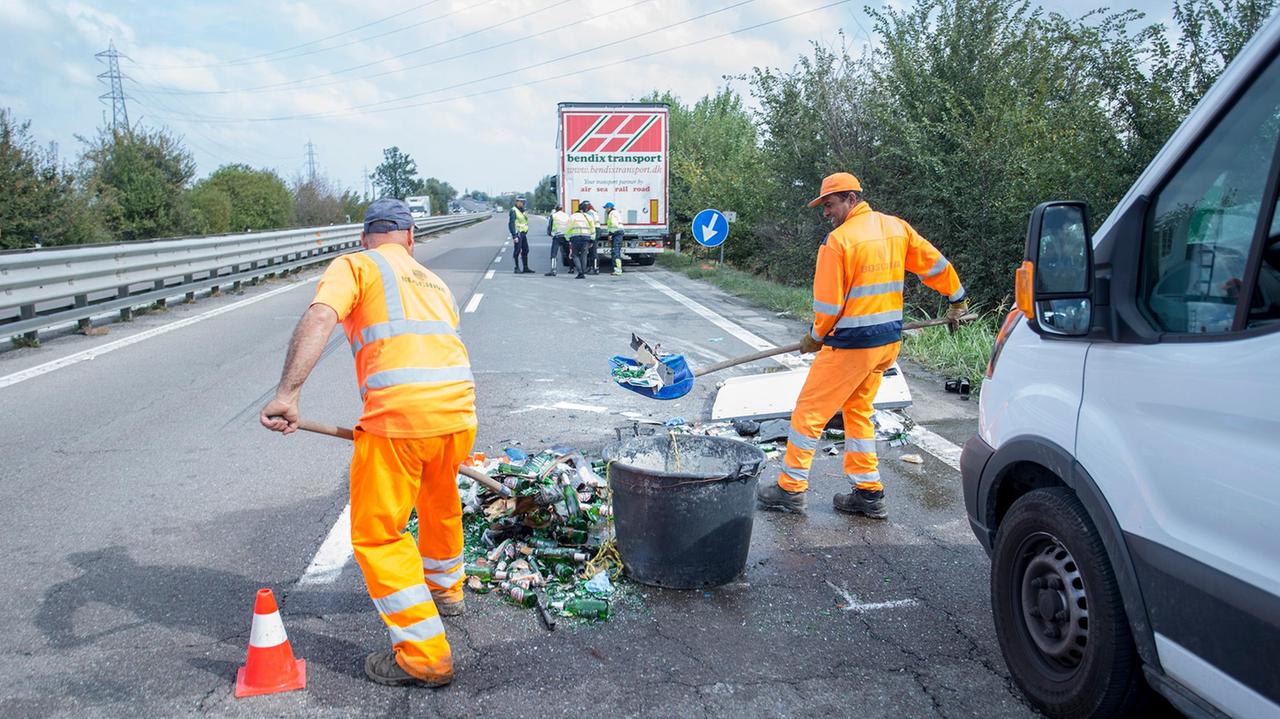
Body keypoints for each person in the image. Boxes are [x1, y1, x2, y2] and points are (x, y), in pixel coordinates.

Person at [260, 198, 476, 688]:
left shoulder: (354, 266)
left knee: (379, 534)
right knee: (439, 500)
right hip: (459, 414)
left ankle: (423, 658)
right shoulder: (435, 282)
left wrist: (287, 394)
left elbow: (320, 317)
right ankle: (446, 591)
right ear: (410, 237)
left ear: (365, 238)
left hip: (400, 420)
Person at [755, 173, 967, 519]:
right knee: (857, 411)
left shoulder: (838, 242)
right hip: (886, 344)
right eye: (824, 206)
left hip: (851, 346)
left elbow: (828, 306)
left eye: (830, 204)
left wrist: (815, 336)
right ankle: (868, 493)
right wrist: (957, 298)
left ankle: (790, 489)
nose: (826, 212)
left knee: (810, 412)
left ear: (851, 199)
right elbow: (934, 263)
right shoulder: (896, 228)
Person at [567, 201, 595, 279]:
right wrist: (592, 240)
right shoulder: (589, 217)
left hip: (575, 238)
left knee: (574, 255)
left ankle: (580, 272)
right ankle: (583, 272)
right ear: (585, 209)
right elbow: (593, 229)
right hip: (586, 238)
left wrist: (567, 238)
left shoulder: (573, 216)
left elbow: (568, 228)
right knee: (584, 255)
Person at [509, 197, 533, 274]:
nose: (523, 204)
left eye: (524, 202)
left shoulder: (522, 211)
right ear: (517, 202)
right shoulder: (513, 210)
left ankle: (525, 267)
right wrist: (514, 235)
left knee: (526, 250)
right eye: (522, 202)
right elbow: (511, 224)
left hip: (523, 233)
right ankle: (516, 268)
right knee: (517, 250)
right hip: (518, 233)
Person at [545, 203, 569, 277]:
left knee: (554, 254)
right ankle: (572, 268)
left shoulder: (554, 215)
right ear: (562, 209)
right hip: (566, 236)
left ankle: (553, 270)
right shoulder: (567, 215)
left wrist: (549, 233)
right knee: (569, 253)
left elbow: (550, 226)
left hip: (557, 236)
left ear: (556, 209)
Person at [603, 202, 625, 276]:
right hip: (619, 232)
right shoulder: (615, 213)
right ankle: (618, 269)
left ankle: (618, 270)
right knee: (616, 251)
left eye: (606, 208)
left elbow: (614, 224)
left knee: (615, 252)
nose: (605, 209)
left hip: (616, 233)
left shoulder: (612, 213)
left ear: (609, 208)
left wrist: (611, 234)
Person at [585, 202, 601, 275]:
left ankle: (595, 268)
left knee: (593, 251)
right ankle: (592, 267)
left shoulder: (589, 213)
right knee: (592, 250)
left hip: (594, 230)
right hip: (596, 230)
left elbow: (588, 223)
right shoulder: (593, 212)